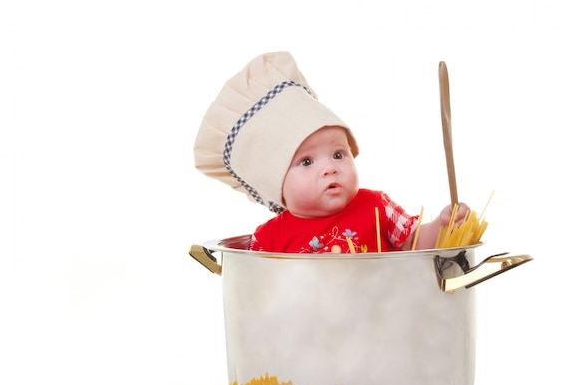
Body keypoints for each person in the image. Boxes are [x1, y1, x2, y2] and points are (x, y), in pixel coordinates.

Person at [194, 52, 468, 253]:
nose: (329, 168)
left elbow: (414, 246)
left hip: (382, 325)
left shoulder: (376, 207)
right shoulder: (269, 239)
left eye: (338, 154)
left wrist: (442, 227)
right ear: (277, 185)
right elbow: (261, 291)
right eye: (306, 161)